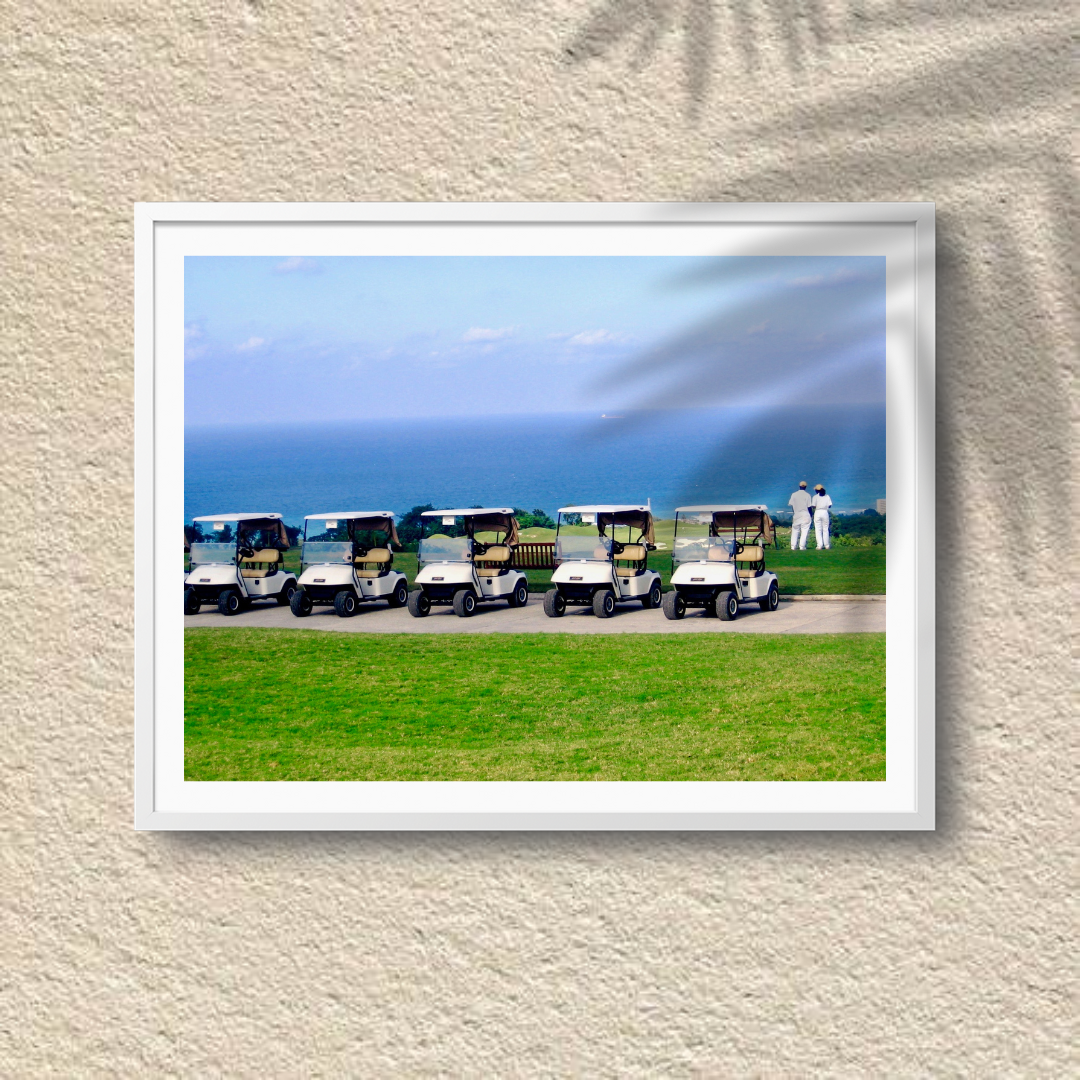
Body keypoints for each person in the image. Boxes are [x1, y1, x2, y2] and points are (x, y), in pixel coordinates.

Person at [788, 481, 812, 550]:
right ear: (805, 487)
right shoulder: (807, 495)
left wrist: (795, 512)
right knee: (804, 531)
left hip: (797, 514)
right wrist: (811, 515)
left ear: (799, 486)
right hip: (805, 514)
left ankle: (793, 546)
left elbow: (792, 505)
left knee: (795, 530)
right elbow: (809, 507)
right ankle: (802, 546)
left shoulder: (794, 494)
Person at [812, 484, 833, 550]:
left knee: (818, 529)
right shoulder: (827, 496)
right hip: (825, 512)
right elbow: (830, 505)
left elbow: (813, 505)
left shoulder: (815, 497)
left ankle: (819, 545)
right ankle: (827, 545)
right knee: (825, 529)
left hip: (818, 512)